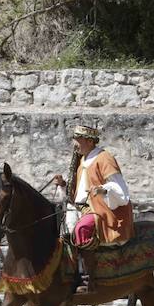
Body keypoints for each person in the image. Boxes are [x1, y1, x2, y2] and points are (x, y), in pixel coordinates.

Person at [53, 125, 133, 294]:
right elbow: (79, 190)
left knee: (82, 229)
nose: (76, 144)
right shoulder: (83, 160)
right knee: (61, 229)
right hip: (81, 207)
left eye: (78, 140)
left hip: (101, 207)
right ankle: (70, 274)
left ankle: (91, 278)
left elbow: (119, 187)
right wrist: (63, 185)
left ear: (89, 141)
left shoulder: (104, 158)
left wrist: (104, 189)